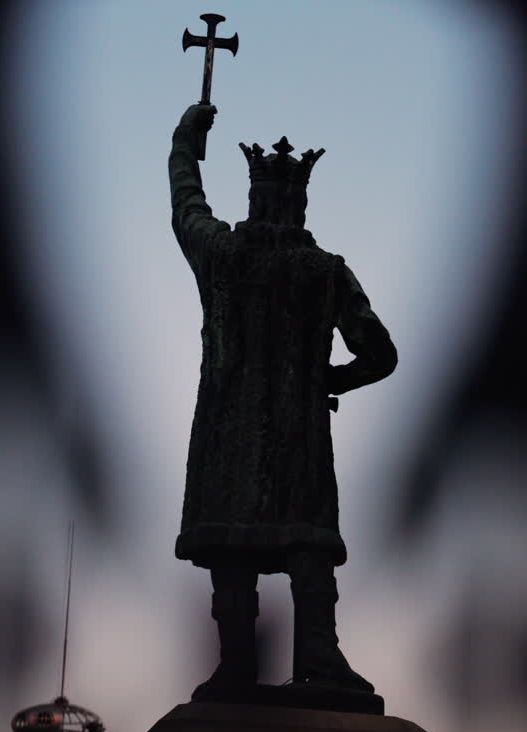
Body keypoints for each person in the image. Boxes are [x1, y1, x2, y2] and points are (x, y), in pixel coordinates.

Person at [169, 102, 398, 700]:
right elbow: (380, 354)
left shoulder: (222, 255)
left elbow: (186, 206)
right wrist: (330, 381)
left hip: (228, 438)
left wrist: (185, 144)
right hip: (299, 438)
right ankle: (320, 659)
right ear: (300, 203)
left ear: (253, 199)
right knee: (306, 541)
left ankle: (237, 665)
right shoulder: (324, 270)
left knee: (233, 547)